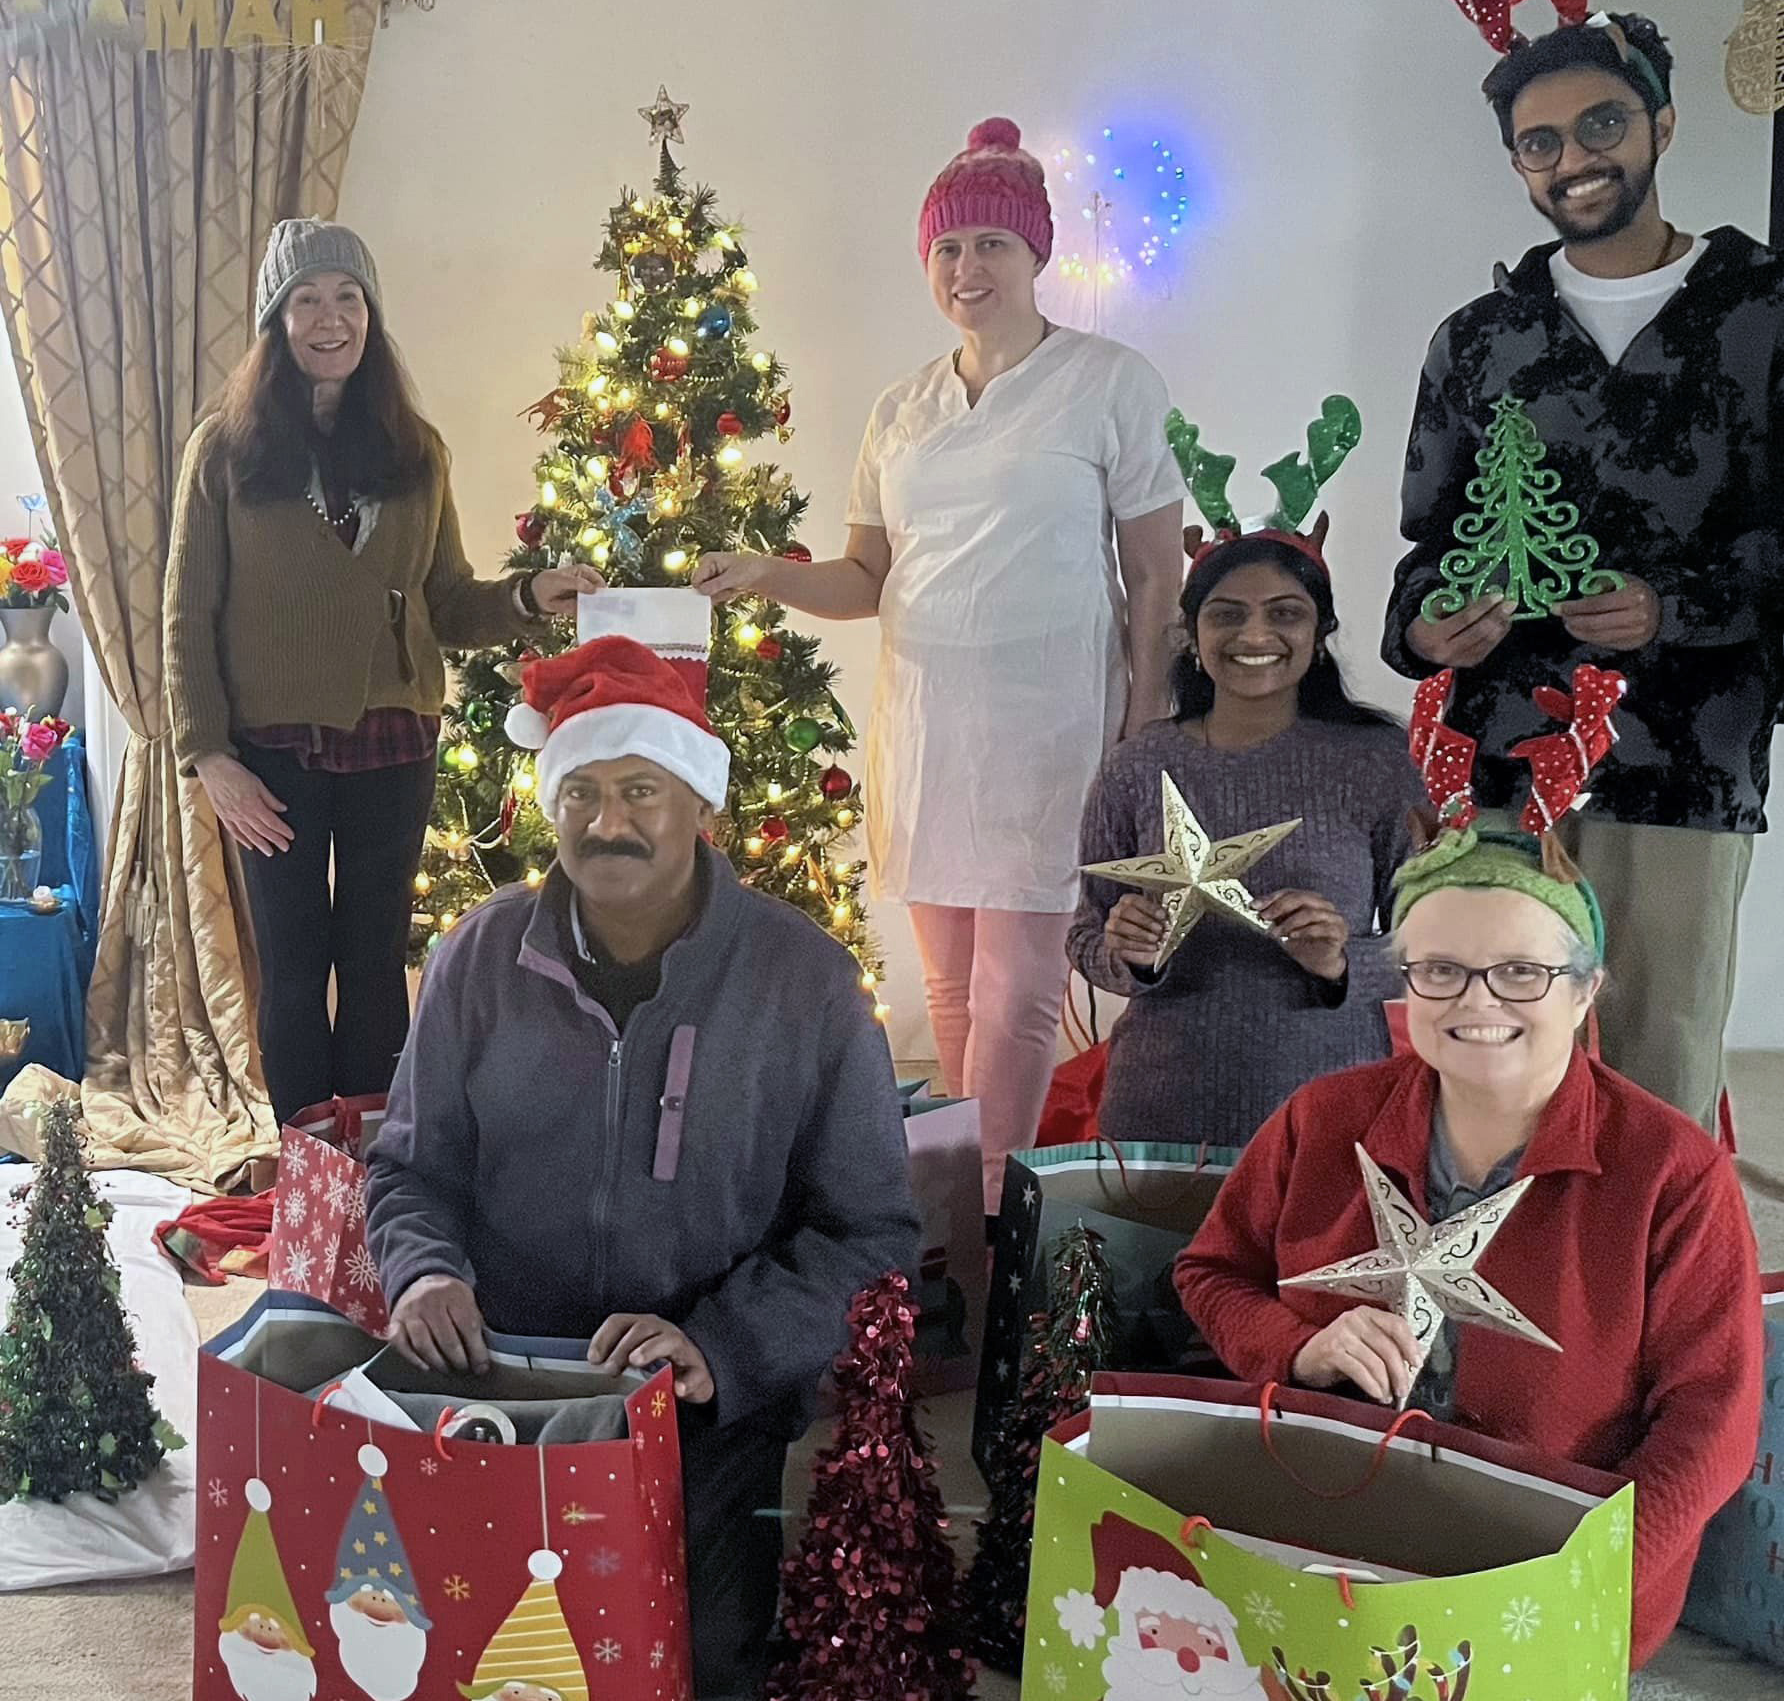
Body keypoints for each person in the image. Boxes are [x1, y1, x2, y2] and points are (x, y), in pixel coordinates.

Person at [366, 634, 920, 1701]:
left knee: (696, 1654)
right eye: (580, 789)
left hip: (695, 1399)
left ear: (698, 800)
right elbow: (408, 1167)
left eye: (639, 789)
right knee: (440, 1633)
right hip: (502, 1376)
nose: (606, 821)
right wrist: (425, 1271)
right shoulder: (476, 957)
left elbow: (872, 1233)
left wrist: (725, 1343)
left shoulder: (804, 981)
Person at [694, 119, 1184, 1209]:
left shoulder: (1107, 383)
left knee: (1018, 998)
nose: (967, 270)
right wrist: (767, 573)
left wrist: (1143, 720)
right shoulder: (900, 409)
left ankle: (994, 1220)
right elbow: (866, 578)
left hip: (1051, 733)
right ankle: (946, 1218)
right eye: (947, 250)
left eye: (990, 246)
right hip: (925, 730)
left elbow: (1154, 576)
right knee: (953, 995)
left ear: (1033, 254)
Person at [1175, 821, 1763, 1669]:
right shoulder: (1324, 1118)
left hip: (1551, 1574)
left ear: (1586, 990)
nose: (1477, 1002)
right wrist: (1296, 1348)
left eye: (1522, 972)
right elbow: (1212, 1271)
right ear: (1406, 984)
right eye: (1441, 970)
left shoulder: (1673, 1173)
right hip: (1323, 1538)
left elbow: (1713, 1423)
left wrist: (1587, 1577)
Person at [1381, 12, 1784, 1132]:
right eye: (1537, 142)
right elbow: (1426, 544)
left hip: (1680, 763)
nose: (1572, 160)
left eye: (1599, 124)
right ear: (1516, 163)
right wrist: (1425, 629)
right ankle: (1492, 1290)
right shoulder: (1475, 342)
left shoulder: (1759, 318)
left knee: (1655, 1063)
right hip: (1501, 759)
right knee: (1488, 1059)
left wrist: (1670, 607)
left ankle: (1650, 1303)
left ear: (1658, 122)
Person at [164, 218, 598, 1126]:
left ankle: (369, 1166)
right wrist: (209, 755)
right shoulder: (226, 451)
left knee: (370, 959)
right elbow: (186, 618)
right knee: (292, 966)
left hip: (394, 740)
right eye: (307, 301)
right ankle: (305, 1171)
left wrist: (528, 595)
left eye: (348, 298)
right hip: (268, 752)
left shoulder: (415, 450)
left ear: (372, 316)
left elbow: (446, 597)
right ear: (276, 323)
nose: (331, 320)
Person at [1071, 529, 1423, 1146]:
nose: (1255, 636)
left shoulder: (1380, 762)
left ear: (1319, 635)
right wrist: (1128, 954)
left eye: (1285, 614)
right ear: (1193, 635)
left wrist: (1342, 962)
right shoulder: (1136, 765)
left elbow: (1432, 947)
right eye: (1227, 615)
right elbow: (1085, 935)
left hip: (1330, 1115)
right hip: (1159, 1111)